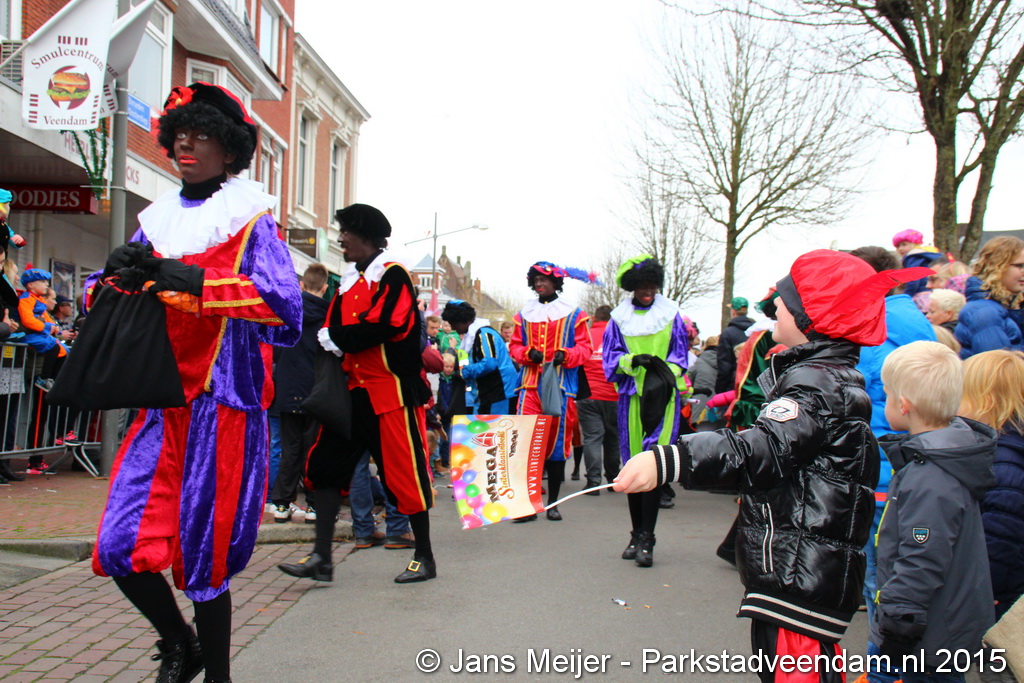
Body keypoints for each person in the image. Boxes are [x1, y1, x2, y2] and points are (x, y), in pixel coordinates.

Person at [614, 249, 932, 682]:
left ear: (810, 317)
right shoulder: (822, 377)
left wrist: (671, 458)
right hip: (801, 568)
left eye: (786, 299)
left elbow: (762, 449)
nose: (776, 304)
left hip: (799, 576)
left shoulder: (816, 383)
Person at [91, 82, 302, 683]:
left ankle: (219, 676)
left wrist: (192, 280)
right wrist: (109, 278)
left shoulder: (252, 222)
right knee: (118, 545)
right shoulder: (155, 222)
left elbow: (281, 303)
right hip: (160, 405)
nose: (187, 143)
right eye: (180, 133)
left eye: (203, 135)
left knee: (205, 555)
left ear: (229, 150)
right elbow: (107, 301)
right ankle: (181, 643)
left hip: (223, 405)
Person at [278, 203, 437, 584]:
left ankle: (425, 556)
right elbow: (331, 326)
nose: (342, 239)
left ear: (364, 235)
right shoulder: (349, 281)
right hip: (352, 394)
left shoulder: (393, 275)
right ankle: (322, 557)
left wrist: (338, 337)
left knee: (405, 474)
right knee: (324, 467)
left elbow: (386, 324)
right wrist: (336, 336)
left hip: (390, 392)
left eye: (346, 232)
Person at [866, 341, 996, 683]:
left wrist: (898, 621)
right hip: (940, 625)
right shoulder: (942, 458)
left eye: (887, 394)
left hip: (929, 633)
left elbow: (921, 557)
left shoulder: (930, 477)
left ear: (903, 404)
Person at [850, 245, 936, 620]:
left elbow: (856, 398)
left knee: (879, 582)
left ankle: (886, 656)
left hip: (881, 467)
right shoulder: (913, 322)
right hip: (910, 463)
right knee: (897, 578)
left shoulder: (876, 329)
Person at [603, 255, 689, 566]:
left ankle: (647, 538)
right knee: (632, 464)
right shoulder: (618, 319)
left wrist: (662, 376)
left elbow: (681, 355)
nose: (648, 291)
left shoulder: (672, 315)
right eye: (642, 286)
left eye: (652, 285)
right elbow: (610, 359)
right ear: (632, 287)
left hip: (663, 398)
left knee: (653, 463)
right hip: (631, 398)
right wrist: (631, 361)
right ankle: (636, 533)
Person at [508, 261, 592, 522]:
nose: (539, 284)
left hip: (560, 387)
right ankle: (528, 504)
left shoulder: (574, 314)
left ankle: (553, 503)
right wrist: (526, 353)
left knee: (556, 444)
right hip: (529, 386)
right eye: (535, 280)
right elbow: (514, 347)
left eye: (543, 279)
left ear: (555, 282)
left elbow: (585, 349)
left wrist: (565, 355)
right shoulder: (524, 314)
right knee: (526, 443)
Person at [960, 349, 1024, 683]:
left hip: (1002, 599)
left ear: (985, 401)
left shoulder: (1004, 462)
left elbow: (1000, 537)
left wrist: (984, 592)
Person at [269, 263, 330, 524]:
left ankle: (282, 504)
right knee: (313, 450)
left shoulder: (288, 312)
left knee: (289, 449)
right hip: (316, 391)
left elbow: (275, 349)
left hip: (288, 389)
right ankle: (314, 505)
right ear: (325, 288)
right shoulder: (328, 316)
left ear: (302, 285)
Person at [440, 300, 517, 414]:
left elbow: (489, 363)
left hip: (500, 391)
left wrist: (464, 372)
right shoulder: (475, 335)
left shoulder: (485, 334)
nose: (453, 328)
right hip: (489, 392)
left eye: (453, 323)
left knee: (495, 424)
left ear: (462, 321)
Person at [956, 235, 1024, 359]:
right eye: (1019, 266)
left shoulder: (1001, 305)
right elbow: (998, 365)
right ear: (997, 266)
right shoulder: (985, 312)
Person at [577, 304, 619, 491]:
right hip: (613, 395)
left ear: (594, 318)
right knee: (613, 438)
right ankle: (613, 478)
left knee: (592, 438)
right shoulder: (618, 336)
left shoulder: (585, 336)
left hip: (588, 394)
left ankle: (593, 480)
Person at [714, 296, 754, 395]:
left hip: (733, 386)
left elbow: (724, 366)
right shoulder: (757, 331)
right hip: (755, 385)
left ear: (733, 311)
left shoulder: (728, 333)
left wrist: (720, 389)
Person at [892, 228, 939, 299]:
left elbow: (913, 279)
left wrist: (906, 296)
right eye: (898, 246)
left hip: (920, 294)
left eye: (904, 245)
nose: (900, 248)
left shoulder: (912, 257)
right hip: (931, 291)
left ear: (914, 244)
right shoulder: (924, 256)